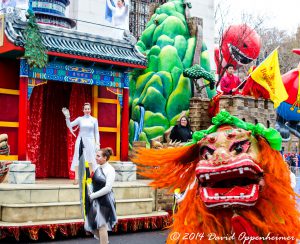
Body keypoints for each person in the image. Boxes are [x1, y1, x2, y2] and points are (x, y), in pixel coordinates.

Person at [62, 103, 100, 184]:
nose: (87, 110)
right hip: (81, 140)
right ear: (83, 110)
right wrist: (67, 117)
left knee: (90, 158)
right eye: (85, 109)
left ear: (90, 110)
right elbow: (70, 125)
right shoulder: (80, 119)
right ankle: (77, 178)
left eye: (88, 109)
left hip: (90, 140)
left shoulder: (94, 120)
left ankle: (90, 177)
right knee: (77, 158)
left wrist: (97, 143)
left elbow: (96, 132)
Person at [86, 148, 117, 244]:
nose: (96, 158)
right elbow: (93, 182)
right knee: (91, 225)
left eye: (98, 156)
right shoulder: (97, 168)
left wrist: (93, 195)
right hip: (95, 199)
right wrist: (89, 189)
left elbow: (108, 188)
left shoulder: (110, 170)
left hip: (105, 200)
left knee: (101, 225)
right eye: (96, 155)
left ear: (105, 158)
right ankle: (105, 242)